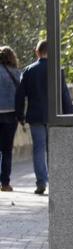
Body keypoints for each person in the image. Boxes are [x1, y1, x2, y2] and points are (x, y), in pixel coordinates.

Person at [15, 40, 73, 195]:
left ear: (37, 52)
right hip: (54, 117)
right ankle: (56, 182)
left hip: (35, 116)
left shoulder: (28, 70)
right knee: (53, 149)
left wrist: (20, 115)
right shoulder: (57, 70)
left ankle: (41, 182)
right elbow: (64, 95)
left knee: (38, 150)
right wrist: (69, 117)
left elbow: (20, 96)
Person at [0, 46, 21, 192]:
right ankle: (5, 183)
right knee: (7, 150)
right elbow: (21, 95)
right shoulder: (16, 73)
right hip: (11, 115)